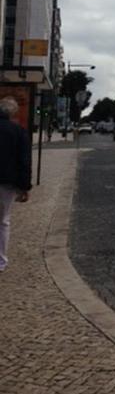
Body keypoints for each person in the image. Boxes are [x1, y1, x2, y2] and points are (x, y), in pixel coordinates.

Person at [0, 96, 32, 273]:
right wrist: (24, 187)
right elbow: (24, 161)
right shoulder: (18, 132)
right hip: (7, 183)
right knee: (3, 221)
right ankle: (1, 261)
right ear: (13, 113)